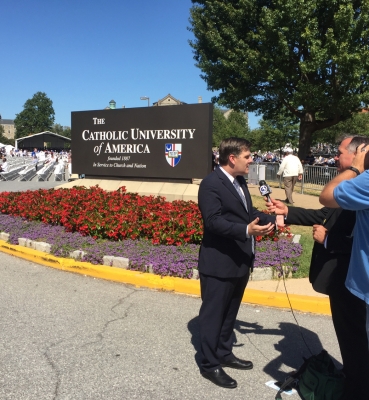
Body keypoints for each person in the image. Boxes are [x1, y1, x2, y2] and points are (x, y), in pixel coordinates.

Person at [266, 135, 369, 400]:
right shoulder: (354, 185)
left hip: (353, 285)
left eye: (340, 152)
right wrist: (288, 212)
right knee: (351, 345)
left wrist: (329, 239)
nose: (336, 157)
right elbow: (325, 215)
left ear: (357, 154)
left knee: (357, 345)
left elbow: (355, 236)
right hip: (346, 283)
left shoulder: (359, 184)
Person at [197, 137, 283, 389]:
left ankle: (224, 353)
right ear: (232, 158)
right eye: (248, 156)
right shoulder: (211, 184)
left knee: (230, 312)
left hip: (240, 260)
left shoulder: (240, 181)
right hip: (219, 262)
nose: (252, 160)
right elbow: (212, 221)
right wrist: (246, 230)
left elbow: (248, 214)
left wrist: (272, 217)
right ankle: (210, 364)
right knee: (214, 315)